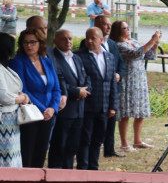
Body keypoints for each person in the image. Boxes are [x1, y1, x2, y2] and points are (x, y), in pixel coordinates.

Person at [9, 29, 60, 168]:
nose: (29, 46)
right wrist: (43, 110)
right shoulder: (18, 62)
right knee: (28, 152)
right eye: (25, 42)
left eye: (32, 42)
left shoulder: (47, 61)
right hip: (30, 115)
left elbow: (56, 88)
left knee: (41, 152)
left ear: (40, 43)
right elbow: (22, 89)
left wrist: (52, 109)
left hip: (49, 115)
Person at [110, 20, 160, 151]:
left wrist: (155, 44)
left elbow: (147, 55)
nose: (128, 29)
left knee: (140, 111)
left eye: (127, 27)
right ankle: (124, 143)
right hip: (128, 80)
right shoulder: (118, 45)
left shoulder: (133, 41)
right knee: (125, 113)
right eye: (125, 28)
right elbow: (135, 54)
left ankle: (137, 140)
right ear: (118, 31)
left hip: (139, 80)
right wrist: (151, 41)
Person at [82, 15, 125, 158]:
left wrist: (119, 73)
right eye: (105, 24)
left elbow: (120, 63)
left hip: (108, 94)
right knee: (88, 136)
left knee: (107, 127)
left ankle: (109, 149)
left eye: (109, 25)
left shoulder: (111, 45)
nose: (108, 27)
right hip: (91, 100)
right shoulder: (85, 48)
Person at [77, 27, 118, 170]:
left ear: (102, 40)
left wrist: (113, 106)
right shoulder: (79, 57)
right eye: (87, 37)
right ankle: (83, 166)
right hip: (87, 105)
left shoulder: (109, 57)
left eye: (93, 38)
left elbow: (112, 82)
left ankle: (93, 166)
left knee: (98, 138)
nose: (89, 41)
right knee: (85, 138)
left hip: (104, 105)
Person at [48, 29, 90, 169]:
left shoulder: (76, 57)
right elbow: (58, 82)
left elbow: (85, 78)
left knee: (72, 146)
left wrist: (86, 90)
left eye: (70, 38)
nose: (68, 41)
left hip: (79, 111)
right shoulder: (52, 58)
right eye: (63, 39)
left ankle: (68, 173)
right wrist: (75, 92)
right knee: (59, 146)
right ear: (55, 41)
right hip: (64, 110)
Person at [0, 33, 31, 167]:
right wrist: (22, 98)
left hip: (12, 120)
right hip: (4, 120)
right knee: (6, 159)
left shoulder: (5, 67)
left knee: (12, 157)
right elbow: (4, 96)